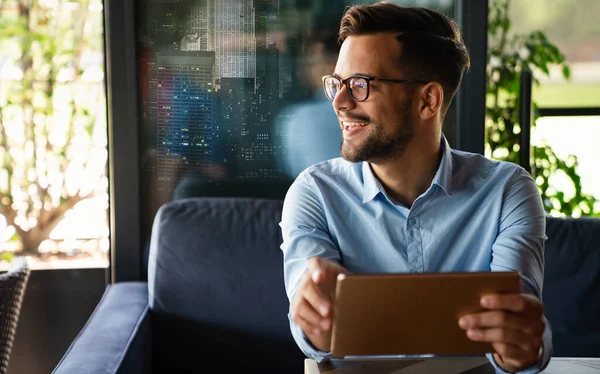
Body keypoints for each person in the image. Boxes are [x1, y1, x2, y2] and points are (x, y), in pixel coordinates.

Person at [280, 3, 551, 373]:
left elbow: (520, 322)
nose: (340, 103)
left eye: (360, 85)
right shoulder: (314, 194)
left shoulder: (507, 193)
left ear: (427, 100)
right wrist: (315, 321)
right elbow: (307, 323)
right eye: (337, 84)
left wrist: (521, 346)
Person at [276, 30, 342, 179]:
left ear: (331, 66)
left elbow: (293, 172)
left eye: (311, 64)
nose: (303, 71)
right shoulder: (372, 109)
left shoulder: (296, 118)